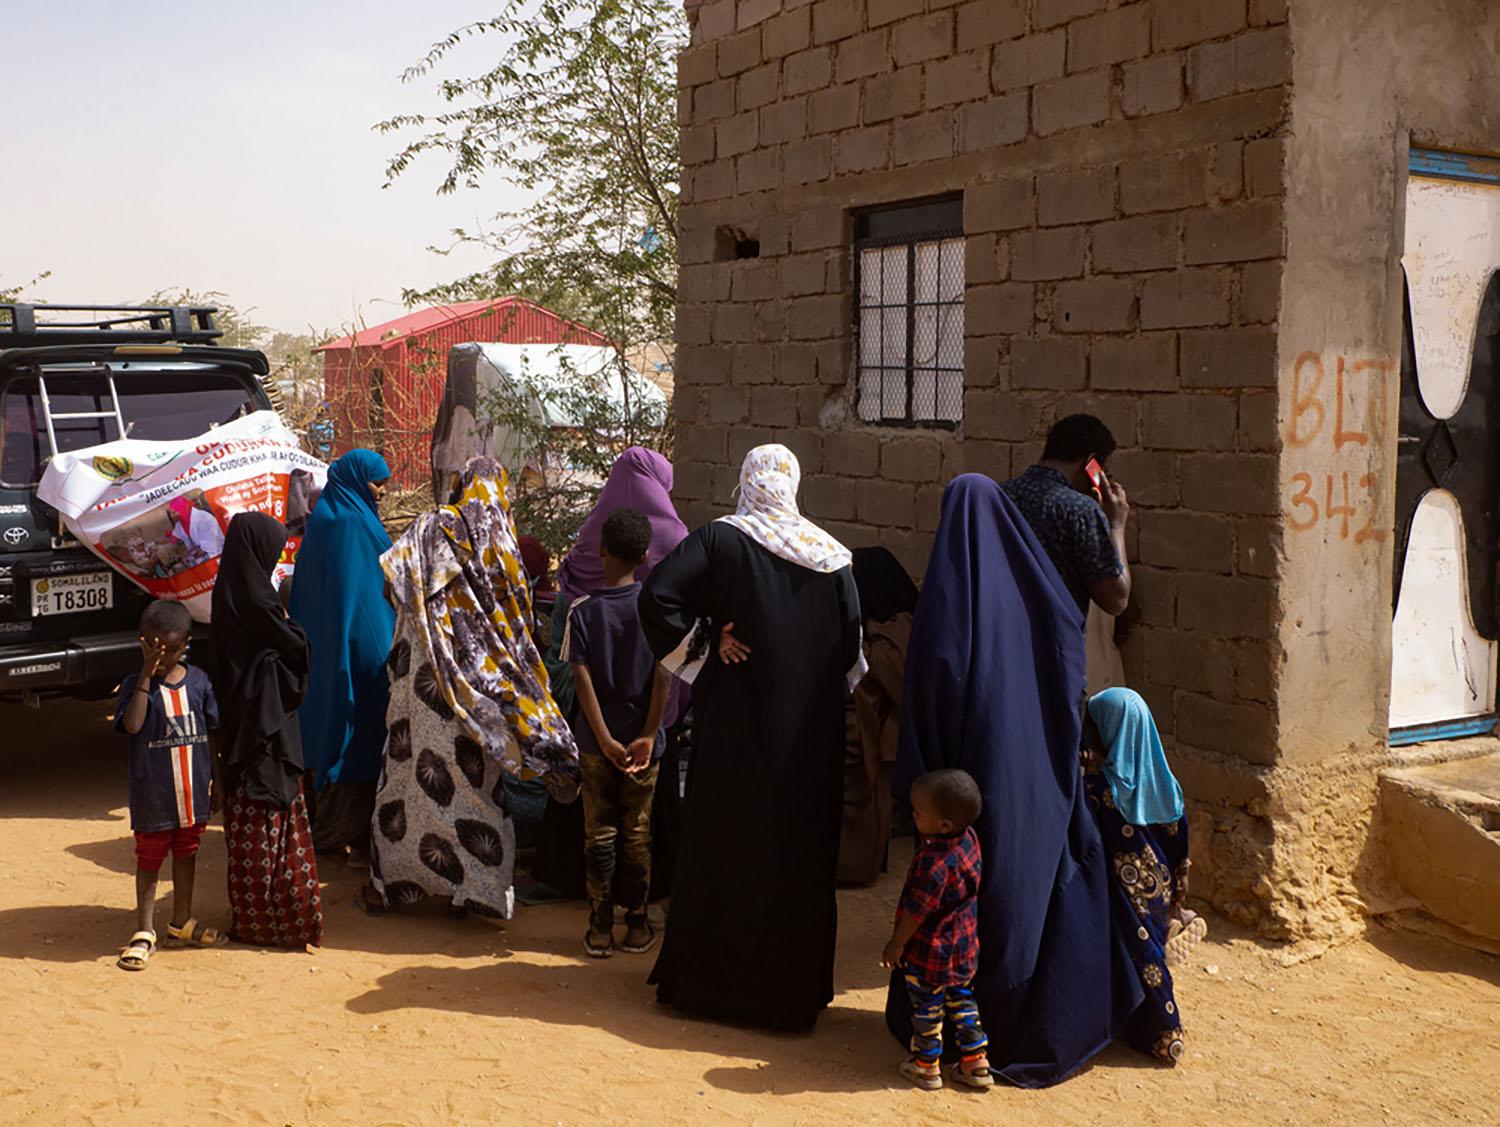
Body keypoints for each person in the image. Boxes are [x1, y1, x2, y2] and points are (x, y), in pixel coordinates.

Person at [888, 474, 1140, 1088]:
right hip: (1033, 766)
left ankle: (944, 1038)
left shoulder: (953, 589)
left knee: (965, 889)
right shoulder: (1043, 593)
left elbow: (933, 678)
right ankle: (1004, 1023)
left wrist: (920, 778)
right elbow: (1068, 669)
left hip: (968, 771)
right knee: (1021, 884)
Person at [639, 443, 863, 1030]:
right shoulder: (832, 557)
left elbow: (656, 595)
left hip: (738, 728)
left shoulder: (721, 540)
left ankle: (707, 986)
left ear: (747, 481)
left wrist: (708, 647)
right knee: (796, 852)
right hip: (809, 738)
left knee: (726, 840)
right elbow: (850, 651)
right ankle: (790, 997)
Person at [361, 457, 578, 919]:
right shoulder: (504, 545)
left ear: (462, 487)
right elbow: (519, 628)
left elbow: (389, 587)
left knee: (406, 776)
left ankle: (394, 885)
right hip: (480, 693)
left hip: (422, 685)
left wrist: (428, 620)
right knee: (477, 786)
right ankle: (480, 891)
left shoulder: (430, 528)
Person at [532, 446, 689, 898]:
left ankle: (580, 892)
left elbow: (570, 652)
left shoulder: (590, 539)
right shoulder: (676, 540)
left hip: (592, 709)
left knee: (592, 810)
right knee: (646, 812)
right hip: (649, 708)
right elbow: (675, 649)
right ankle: (642, 902)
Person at [212, 512, 323, 949]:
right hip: (266, 726)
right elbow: (295, 646)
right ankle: (285, 918)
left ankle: (252, 918)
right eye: (273, 551)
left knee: (249, 818)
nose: (277, 557)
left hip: (242, 723)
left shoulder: (229, 591)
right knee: (273, 811)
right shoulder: (259, 601)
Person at [564, 508, 672, 958]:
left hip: (595, 745)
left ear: (601, 550)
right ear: (646, 556)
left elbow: (581, 680)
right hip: (644, 746)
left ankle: (599, 928)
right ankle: (638, 924)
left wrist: (604, 738)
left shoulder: (581, 612)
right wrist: (648, 733)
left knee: (599, 833)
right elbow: (665, 677)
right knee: (638, 833)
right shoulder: (658, 612)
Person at [1083, 688, 1202, 1064]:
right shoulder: (1168, 785)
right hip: (1161, 887)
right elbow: (1181, 847)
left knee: (1145, 959)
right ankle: (1173, 924)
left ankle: (1166, 1031)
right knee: (1146, 951)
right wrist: (1176, 900)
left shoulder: (1101, 791)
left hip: (1124, 892)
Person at [290, 448, 396, 859]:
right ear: (356, 480)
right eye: (377, 483)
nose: (382, 491)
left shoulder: (327, 520)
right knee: (359, 732)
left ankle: (330, 829)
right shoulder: (353, 523)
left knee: (329, 727)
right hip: (358, 649)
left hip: (326, 649)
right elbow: (367, 597)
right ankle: (350, 832)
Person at [114, 599, 224, 970]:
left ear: (186, 645)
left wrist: (217, 781)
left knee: (187, 852)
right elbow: (132, 725)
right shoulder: (135, 685)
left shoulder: (199, 682)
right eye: (155, 650)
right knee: (149, 859)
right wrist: (146, 675)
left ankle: (180, 921)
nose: (164, 658)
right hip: (154, 796)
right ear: (142, 643)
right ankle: (144, 931)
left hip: (191, 792)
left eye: (172, 650)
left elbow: (211, 733)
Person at [880, 769, 992, 1091]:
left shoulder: (935, 863)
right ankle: (975, 1061)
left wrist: (896, 944)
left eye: (918, 813)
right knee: (963, 1002)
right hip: (964, 949)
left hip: (930, 955)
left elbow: (917, 912)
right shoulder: (970, 839)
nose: (912, 817)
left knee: (927, 1010)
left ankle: (926, 1065)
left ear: (944, 825)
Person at [839, 547, 918, 885]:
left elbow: (891, 672)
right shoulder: (879, 618)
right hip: (862, 726)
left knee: (868, 803)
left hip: (874, 727)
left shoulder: (897, 623)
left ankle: (856, 869)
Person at [1001, 413, 1131, 618]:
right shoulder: (1080, 510)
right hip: (1053, 640)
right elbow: (1116, 600)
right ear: (1091, 463)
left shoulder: (1002, 495)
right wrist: (1116, 525)